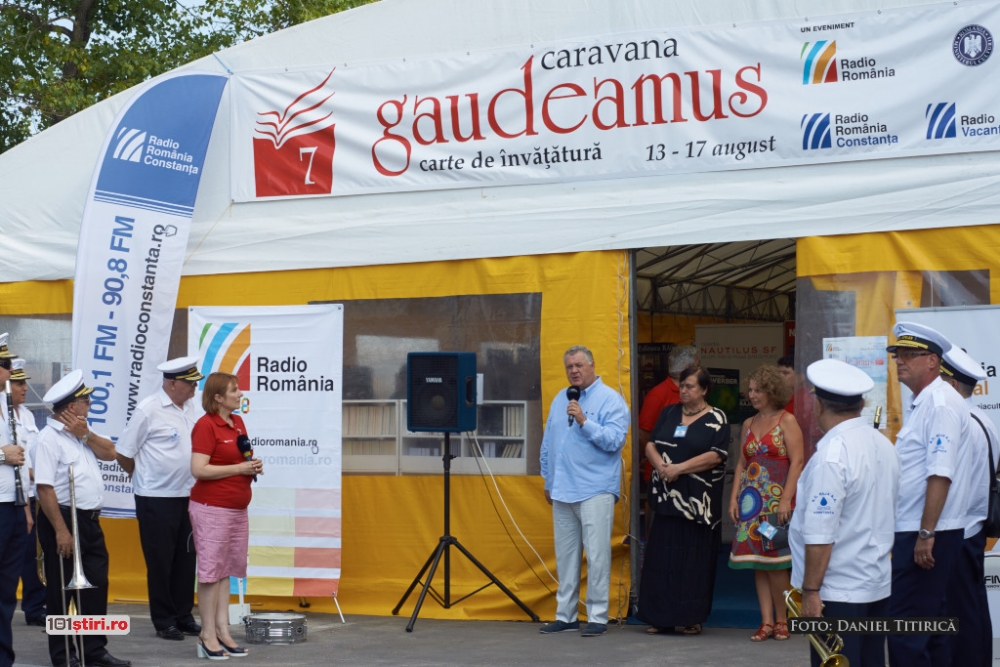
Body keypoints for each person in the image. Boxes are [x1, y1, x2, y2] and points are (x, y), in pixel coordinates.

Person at [789, 359, 900, 667]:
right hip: (875, 582)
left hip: (837, 591)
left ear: (818, 405)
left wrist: (811, 591)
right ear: (862, 404)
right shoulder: (884, 444)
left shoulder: (832, 455)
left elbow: (821, 533)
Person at [886, 322, 971, 667]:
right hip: (922, 528)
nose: (899, 361)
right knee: (929, 627)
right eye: (897, 354)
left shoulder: (940, 404)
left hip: (924, 531)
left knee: (906, 629)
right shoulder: (926, 403)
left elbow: (940, 472)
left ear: (933, 361)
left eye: (908, 355)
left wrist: (925, 533)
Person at [34, 370, 131, 667]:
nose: (90, 404)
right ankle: (64, 655)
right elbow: (44, 489)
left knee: (96, 588)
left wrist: (85, 434)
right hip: (63, 518)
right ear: (71, 407)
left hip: (90, 520)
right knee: (62, 592)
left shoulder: (83, 434)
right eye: (86, 400)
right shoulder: (48, 439)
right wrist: (61, 531)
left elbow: (111, 453)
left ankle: (94, 651)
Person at [538, 346, 629, 638]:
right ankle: (566, 616)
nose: (574, 371)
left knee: (597, 555)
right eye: (569, 367)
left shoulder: (611, 400)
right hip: (562, 489)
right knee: (566, 557)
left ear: (592, 365)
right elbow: (549, 442)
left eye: (579, 365)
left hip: (594, 489)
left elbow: (615, 440)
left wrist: (584, 421)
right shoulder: (560, 399)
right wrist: (548, 479)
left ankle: (597, 616)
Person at [115, 357, 204, 641]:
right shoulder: (148, 409)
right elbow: (124, 452)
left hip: (188, 495)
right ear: (172, 383)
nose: (194, 388)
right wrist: (141, 477)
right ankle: (164, 620)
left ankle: (183, 615)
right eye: (190, 383)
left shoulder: (192, 407)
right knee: (161, 561)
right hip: (156, 498)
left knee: (185, 560)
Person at [638, 366, 727, 636]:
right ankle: (660, 617)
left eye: (690, 386)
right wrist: (661, 466)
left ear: (704, 389)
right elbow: (650, 443)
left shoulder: (717, 418)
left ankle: (691, 617)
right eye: (682, 385)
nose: (684, 390)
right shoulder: (669, 412)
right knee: (662, 560)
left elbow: (716, 455)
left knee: (693, 562)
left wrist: (679, 468)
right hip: (667, 500)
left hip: (697, 505)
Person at [728, 364, 803, 641]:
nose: (752, 395)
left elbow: (797, 462)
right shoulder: (748, 423)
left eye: (758, 390)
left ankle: (783, 620)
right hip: (751, 503)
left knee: (776, 561)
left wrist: (786, 500)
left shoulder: (787, 420)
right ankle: (766, 621)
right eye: (750, 390)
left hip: (774, 502)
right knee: (757, 562)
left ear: (772, 391)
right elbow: (741, 463)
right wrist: (734, 498)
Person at [189, 372, 262, 659]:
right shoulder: (206, 425)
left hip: (236, 509)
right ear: (218, 397)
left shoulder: (238, 422)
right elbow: (199, 469)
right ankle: (207, 634)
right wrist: (239, 469)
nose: (240, 393)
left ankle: (222, 630)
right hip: (212, 509)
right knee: (210, 573)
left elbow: (240, 458)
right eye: (234, 390)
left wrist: (252, 465)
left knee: (225, 571)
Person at [940, 346, 996, 666]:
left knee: (959, 618)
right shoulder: (982, 420)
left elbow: (949, 485)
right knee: (973, 610)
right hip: (971, 529)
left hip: (957, 530)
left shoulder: (962, 423)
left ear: (951, 385)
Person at [10, 359, 46, 627]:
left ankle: (35, 607)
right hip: (10, 497)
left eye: (24, 383)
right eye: (19, 383)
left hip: (30, 495)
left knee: (32, 556)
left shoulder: (28, 416)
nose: (24, 388)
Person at [0, 334, 29, 667]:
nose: (10, 371)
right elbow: (7, 455)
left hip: (12, 505)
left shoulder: (7, 404)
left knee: (7, 591)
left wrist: (25, 507)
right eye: (5, 365)